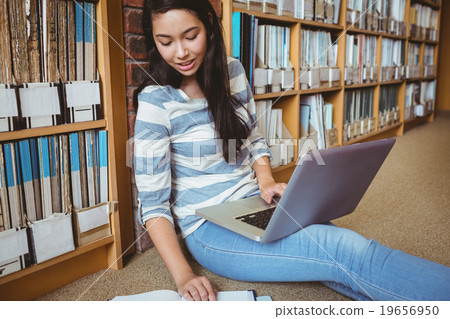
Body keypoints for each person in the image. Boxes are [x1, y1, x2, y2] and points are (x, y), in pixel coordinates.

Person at [133, 0, 450, 301]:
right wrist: (183, 275)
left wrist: (266, 181)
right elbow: (153, 205)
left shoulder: (230, 71)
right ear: (154, 41)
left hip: (254, 204)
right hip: (208, 231)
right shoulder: (155, 101)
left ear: (210, 25)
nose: (181, 52)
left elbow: (252, 137)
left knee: (344, 259)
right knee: (347, 250)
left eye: (191, 36)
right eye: (166, 42)